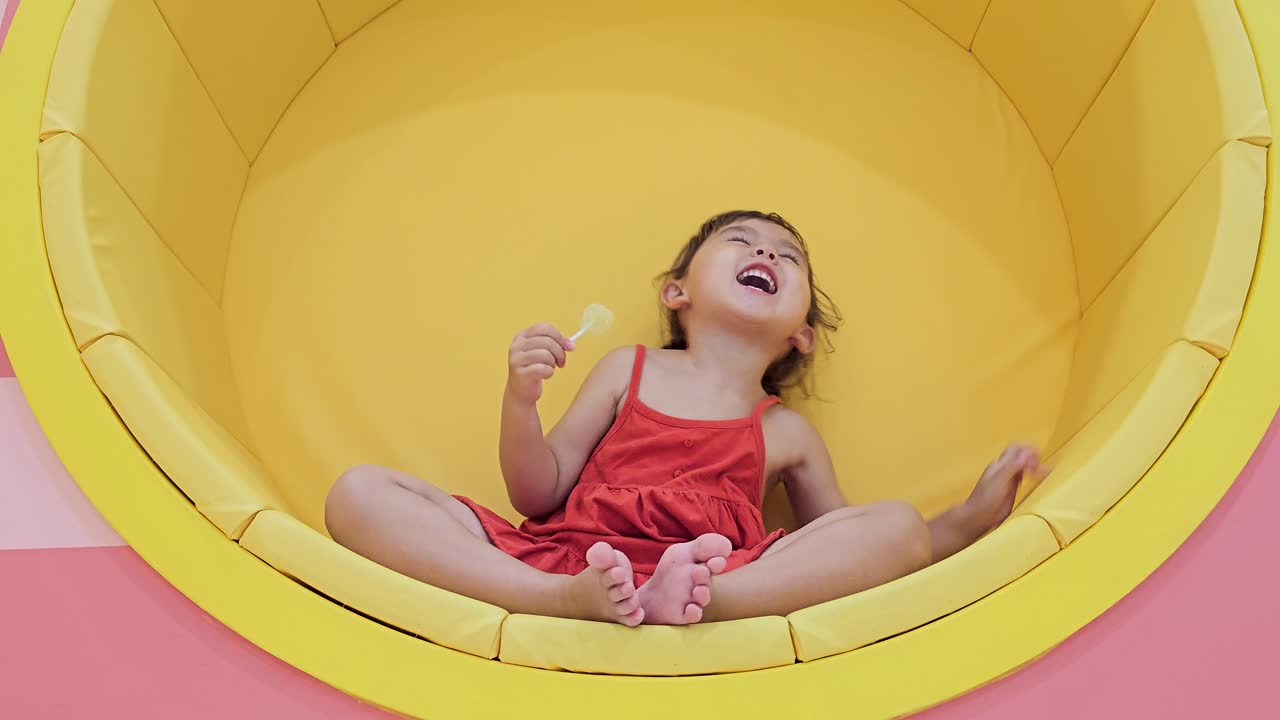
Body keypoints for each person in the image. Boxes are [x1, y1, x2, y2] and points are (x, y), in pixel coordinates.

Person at [325, 210, 1048, 626]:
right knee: (357, 494)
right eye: (741, 239)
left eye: (788, 255)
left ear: (801, 333)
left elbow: (860, 549)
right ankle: (559, 604)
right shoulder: (626, 370)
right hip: (573, 560)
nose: (766, 250)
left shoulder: (786, 432)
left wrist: (971, 516)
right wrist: (520, 399)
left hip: (717, 574)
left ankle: (701, 603)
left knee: (891, 525)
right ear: (678, 291)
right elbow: (537, 494)